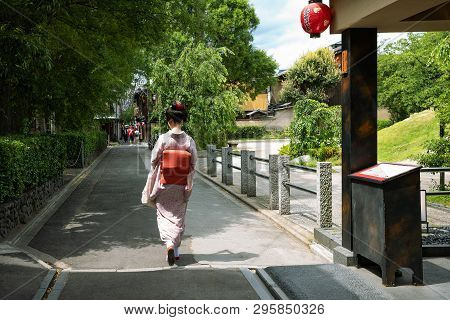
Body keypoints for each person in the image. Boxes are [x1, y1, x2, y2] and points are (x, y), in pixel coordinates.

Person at [141, 101, 197, 266]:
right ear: (182, 120)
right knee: (178, 217)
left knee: (164, 215)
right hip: (180, 185)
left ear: (170, 121)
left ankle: (169, 245)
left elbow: (153, 160)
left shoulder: (163, 139)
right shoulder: (189, 140)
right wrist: (186, 175)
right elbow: (193, 163)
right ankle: (176, 251)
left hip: (164, 183)